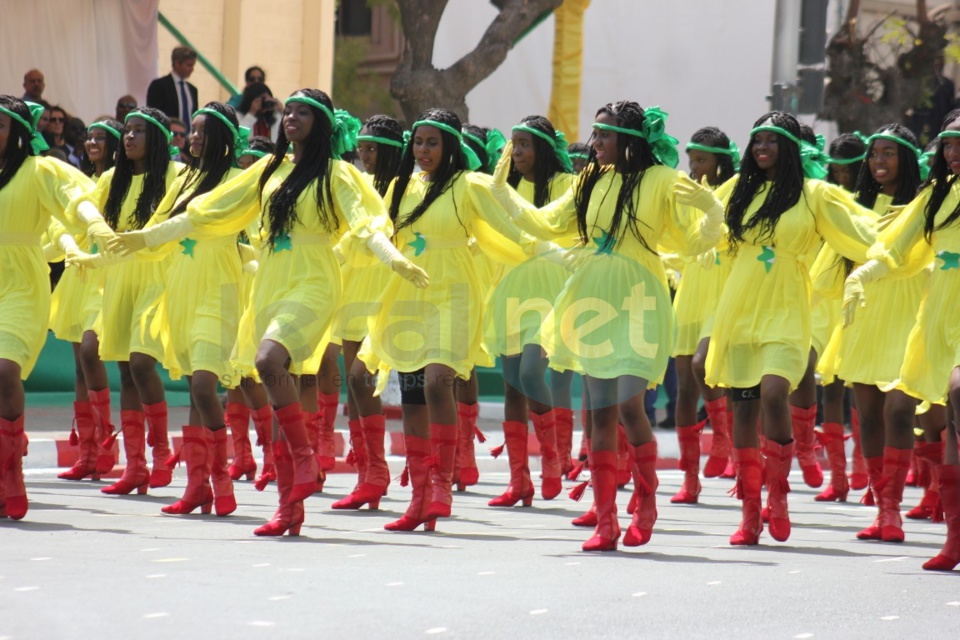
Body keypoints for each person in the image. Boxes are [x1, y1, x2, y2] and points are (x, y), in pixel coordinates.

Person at [112, 89, 427, 537]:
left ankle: (304, 460)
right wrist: (148, 238)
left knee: (267, 361)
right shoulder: (268, 170)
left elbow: (366, 222)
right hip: (271, 283)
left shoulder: (337, 173)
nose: (292, 117)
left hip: (315, 279)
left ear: (321, 124)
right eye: (290, 111)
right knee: (281, 387)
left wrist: (392, 256)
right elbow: (207, 214)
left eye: (304, 112)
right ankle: (288, 509)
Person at [493, 101, 725, 551]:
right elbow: (547, 223)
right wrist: (504, 192)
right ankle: (606, 519)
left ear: (630, 140)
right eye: (594, 134)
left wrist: (712, 208)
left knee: (629, 406)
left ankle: (646, 499)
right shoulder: (589, 180)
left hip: (639, 299)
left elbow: (694, 242)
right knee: (600, 410)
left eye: (605, 134)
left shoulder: (661, 180)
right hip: (591, 298)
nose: (595, 143)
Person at [354, 108, 546, 533]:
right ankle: (419, 497)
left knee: (440, 379)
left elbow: (512, 230)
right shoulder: (401, 187)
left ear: (450, 146)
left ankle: (441, 483)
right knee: (413, 392)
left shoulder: (468, 186)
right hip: (408, 295)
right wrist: (393, 259)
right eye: (418, 142)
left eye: (432, 143)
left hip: (455, 292)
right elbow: (374, 231)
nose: (423, 150)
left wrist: (555, 252)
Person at [705, 111, 877, 546]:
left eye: (772, 140)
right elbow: (698, 225)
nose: (762, 147)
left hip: (786, 306)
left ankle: (777, 496)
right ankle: (749, 513)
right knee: (743, 408)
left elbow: (860, 230)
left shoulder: (812, 194)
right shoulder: (738, 190)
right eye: (757, 140)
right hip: (739, 306)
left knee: (775, 391)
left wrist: (900, 252)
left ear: (788, 147)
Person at [110, 102, 249, 517]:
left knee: (206, 385)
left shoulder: (237, 179)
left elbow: (253, 231)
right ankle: (197, 485)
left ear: (222, 138)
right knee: (194, 387)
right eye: (193, 130)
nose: (195, 137)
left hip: (219, 288)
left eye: (204, 131)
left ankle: (220, 478)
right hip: (181, 288)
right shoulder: (185, 178)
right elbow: (159, 227)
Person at [843, 108, 960, 570]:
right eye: (948, 145)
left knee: (953, 396)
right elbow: (895, 247)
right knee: (948, 420)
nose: (952, 154)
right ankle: (951, 538)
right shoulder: (936, 195)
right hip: (938, 313)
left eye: (959, 145)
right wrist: (864, 275)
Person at [0, 95, 117, 519]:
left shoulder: (39, 169)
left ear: (16, 131)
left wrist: (96, 227)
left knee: (5, 370)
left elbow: (76, 198)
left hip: (21, 287)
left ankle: (12, 472)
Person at [68, 107, 183, 498]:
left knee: (141, 362)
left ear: (158, 140)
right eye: (128, 131)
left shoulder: (174, 175)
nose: (129, 137)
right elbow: (78, 207)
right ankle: (135, 466)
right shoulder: (111, 181)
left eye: (139, 131)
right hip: (116, 278)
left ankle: (162, 451)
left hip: (157, 277)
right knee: (124, 370)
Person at [483, 114, 576, 507]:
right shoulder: (505, 185)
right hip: (513, 287)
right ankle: (518, 480)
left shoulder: (567, 185)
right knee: (512, 383)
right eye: (513, 143)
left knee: (531, 371)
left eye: (524, 144)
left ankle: (552, 458)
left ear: (543, 148)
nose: (516, 151)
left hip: (554, 288)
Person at [326, 114, 406, 511]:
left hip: (387, 290)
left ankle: (386, 470)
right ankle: (369, 473)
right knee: (354, 385)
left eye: (373, 149)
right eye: (362, 149)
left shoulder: (402, 186)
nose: (366, 155)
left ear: (391, 149)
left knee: (363, 379)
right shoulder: (358, 183)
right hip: (354, 288)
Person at [666, 126, 740, 504]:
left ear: (721, 161)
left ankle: (724, 438)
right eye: (691, 160)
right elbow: (681, 240)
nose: (695, 167)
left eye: (703, 160)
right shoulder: (684, 193)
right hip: (692, 288)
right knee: (683, 385)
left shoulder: (740, 186)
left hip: (724, 289)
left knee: (702, 364)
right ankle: (689, 478)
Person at [48, 118, 124, 483]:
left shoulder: (121, 182)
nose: (93, 142)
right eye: (90, 136)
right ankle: (89, 452)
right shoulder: (81, 182)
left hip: (108, 277)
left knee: (93, 352)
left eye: (101, 137)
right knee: (80, 362)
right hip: (80, 274)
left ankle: (107, 441)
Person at [146, 46, 199, 130]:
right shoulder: (159, 85)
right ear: (177, 63)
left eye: (193, 65)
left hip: (187, 138)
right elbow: (154, 114)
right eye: (189, 65)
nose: (192, 69)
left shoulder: (192, 90)